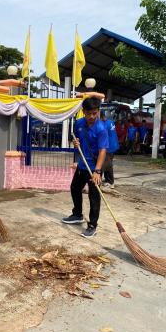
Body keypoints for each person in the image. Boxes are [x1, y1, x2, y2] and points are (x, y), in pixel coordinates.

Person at [62, 97, 108, 238]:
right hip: (82, 165)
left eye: (95, 113)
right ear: (84, 112)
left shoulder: (101, 129)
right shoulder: (79, 123)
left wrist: (97, 171)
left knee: (94, 197)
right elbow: (76, 138)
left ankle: (92, 225)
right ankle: (77, 214)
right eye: (89, 113)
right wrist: (75, 142)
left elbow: (102, 151)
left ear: (98, 111)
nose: (92, 116)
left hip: (94, 168)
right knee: (75, 188)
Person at [100, 111, 119, 189]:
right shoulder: (110, 122)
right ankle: (108, 180)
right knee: (107, 163)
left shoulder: (104, 124)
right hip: (113, 145)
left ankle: (111, 182)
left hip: (109, 146)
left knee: (107, 164)